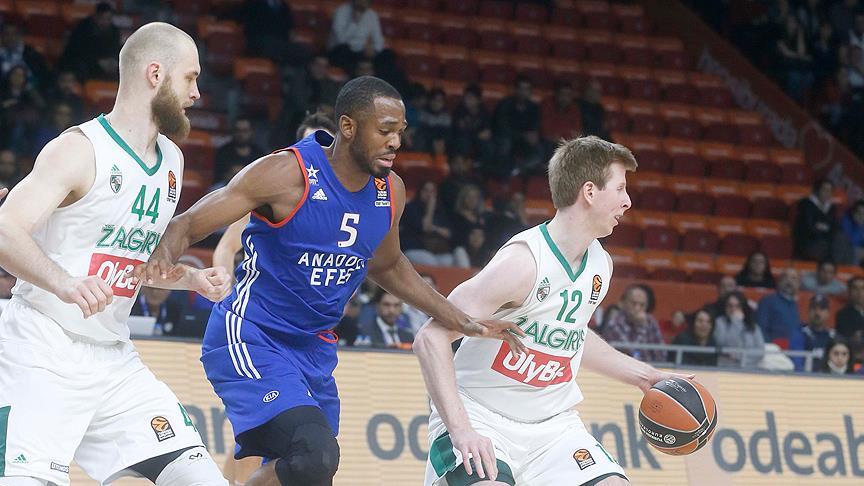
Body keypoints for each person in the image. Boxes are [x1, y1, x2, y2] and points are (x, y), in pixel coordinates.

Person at [135, 76, 522, 486]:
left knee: (311, 472)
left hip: (314, 349)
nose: (395, 142)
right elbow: (187, 223)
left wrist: (461, 320)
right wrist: (163, 255)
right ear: (348, 127)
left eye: (400, 131)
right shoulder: (285, 173)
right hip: (252, 334)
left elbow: (388, 265)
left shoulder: (390, 191)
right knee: (313, 454)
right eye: (385, 130)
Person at [0, 23, 232, 486]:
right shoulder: (78, 149)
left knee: (200, 478)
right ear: (155, 74)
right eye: (190, 78)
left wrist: (187, 278)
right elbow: (5, 229)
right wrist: (64, 282)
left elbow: (124, 263)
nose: (197, 93)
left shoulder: (172, 161)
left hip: (113, 358)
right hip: (43, 349)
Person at [414, 136, 692, 486]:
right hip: (482, 417)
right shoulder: (522, 263)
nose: (628, 201)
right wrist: (461, 429)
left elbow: (572, 336)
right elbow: (430, 338)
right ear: (589, 192)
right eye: (620, 188)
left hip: (553, 428)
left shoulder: (600, 264)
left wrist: (645, 376)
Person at [212, 112, 338, 274]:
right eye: (310, 146)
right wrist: (223, 285)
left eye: (324, 146)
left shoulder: (350, 201)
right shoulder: (274, 192)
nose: (316, 153)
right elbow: (226, 248)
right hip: (270, 288)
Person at [602, 284, 667, 362]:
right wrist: (641, 327)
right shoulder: (615, 322)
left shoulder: (651, 321)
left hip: (652, 366)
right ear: (624, 303)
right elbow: (631, 354)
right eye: (634, 303)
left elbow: (662, 353)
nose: (637, 308)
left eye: (642, 305)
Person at [713, 291, 765, 368]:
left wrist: (740, 357)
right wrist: (735, 322)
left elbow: (760, 352)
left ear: (743, 308)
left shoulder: (753, 326)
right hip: (726, 368)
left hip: (750, 368)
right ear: (725, 307)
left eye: (737, 306)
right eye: (730, 306)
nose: (733, 309)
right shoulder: (719, 322)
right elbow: (723, 344)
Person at [793, 178, 837, 261]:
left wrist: (821, 227)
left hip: (825, 242)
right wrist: (825, 228)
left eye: (830, 191)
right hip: (807, 241)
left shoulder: (832, 208)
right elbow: (808, 226)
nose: (827, 193)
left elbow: (833, 227)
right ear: (817, 190)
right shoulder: (806, 204)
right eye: (824, 190)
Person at [756, 268, 802, 346]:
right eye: (785, 277)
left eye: (793, 278)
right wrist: (771, 348)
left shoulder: (799, 305)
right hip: (773, 349)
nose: (789, 281)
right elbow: (761, 329)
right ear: (779, 281)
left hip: (795, 350)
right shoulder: (767, 301)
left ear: (799, 284)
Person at [214, 118, 266, 187]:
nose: (241, 134)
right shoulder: (224, 152)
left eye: (245, 131)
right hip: (227, 186)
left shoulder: (258, 153)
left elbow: (262, 177)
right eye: (238, 130)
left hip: (252, 186)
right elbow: (219, 176)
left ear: (251, 132)